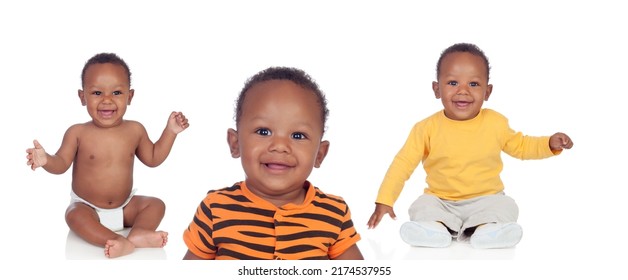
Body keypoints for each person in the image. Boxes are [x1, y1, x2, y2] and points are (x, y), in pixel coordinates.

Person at [367, 43, 573, 249]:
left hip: (487, 199)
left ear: (487, 91)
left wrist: (548, 143)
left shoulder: (495, 123)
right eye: (453, 82)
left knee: (506, 206)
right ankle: (433, 229)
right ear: (436, 89)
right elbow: (402, 165)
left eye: (473, 84)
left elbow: (522, 146)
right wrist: (385, 199)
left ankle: (488, 230)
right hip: (441, 201)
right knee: (421, 206)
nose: (463, 91)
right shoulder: (425, 128)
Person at [182, 67, 363, 260]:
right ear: (235, 144)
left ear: (320, 154)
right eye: (263, 131)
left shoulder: (334, 213)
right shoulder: (215, 209)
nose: (279, 146)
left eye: (298, 135)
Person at [25, 53, 190, 258]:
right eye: (96, 93)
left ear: (129, 97)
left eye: (117, 92)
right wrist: (46, 159)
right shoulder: (77, 132)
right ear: (82, 96)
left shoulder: (136, 130)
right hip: (88, 208)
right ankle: (118, 241)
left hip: (125, 206)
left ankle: (138, 234)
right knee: (73, 215)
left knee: (156, 204)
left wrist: (170, 132)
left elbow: (153, 158)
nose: (107, 100)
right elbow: (61, 164)